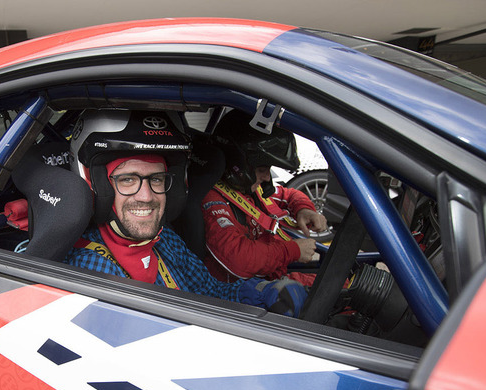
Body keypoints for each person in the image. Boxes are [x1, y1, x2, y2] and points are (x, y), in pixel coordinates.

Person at [63, 109, 307, 317]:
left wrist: (262, 291)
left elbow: (209, 291)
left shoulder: (163, 239)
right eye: (127, 180)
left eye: (157, 179)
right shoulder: (91, 266)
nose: (146, 196)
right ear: (99, 186)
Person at [202, 109, 328, 284]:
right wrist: (291, 251)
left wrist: (304, 210)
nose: (267, 178)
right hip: (244, 294)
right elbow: (238, 259)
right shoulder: (212, 200)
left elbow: (289, 195)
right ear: (238, 165)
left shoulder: (251, 190)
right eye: (262, 169)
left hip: (269, 278)